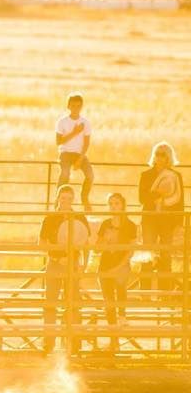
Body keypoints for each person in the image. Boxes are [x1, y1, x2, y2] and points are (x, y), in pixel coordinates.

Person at [39, 185, 91, 354]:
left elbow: (86, 242)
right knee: (51, 302)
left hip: (73, 263)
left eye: (69, 198)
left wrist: (84, 264)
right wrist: (58, 254)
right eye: (63, 198)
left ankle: (74, 342)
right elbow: (42, 243)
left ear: (73, 199)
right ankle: (49, 342)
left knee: (73, 303)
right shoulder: (50, 218)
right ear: (58, 198)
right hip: (55, 262)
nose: (66, 201)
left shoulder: (80, 217)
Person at [138, 141, 184, 294]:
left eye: (163, 154)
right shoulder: (146, 175)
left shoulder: (176, 176)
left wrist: (179, 223)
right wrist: (159, 193)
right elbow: (142, 198)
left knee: (165, 255)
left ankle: (166, 294)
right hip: (150, 219)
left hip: (167, 221)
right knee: (147, 254)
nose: (159, 157)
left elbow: (179, 201)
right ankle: (144, 293)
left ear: (168, 157)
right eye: (157, 153)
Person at [96, 193, 138, 352]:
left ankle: (122, 316)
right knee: (108, 301)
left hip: (122, 265)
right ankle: (114, 340)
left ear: (123, 205)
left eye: (117, 203)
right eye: (111, 204)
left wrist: (119, 266)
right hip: (106, 264)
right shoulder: (105, 224)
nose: (114, 206)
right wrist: (105, 239)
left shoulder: (130, 225)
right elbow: (97, 248)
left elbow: (131, 250)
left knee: (120, 284)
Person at [55, 92, 94, 210]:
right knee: (65, 173)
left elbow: (87, 142)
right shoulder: (62, 122)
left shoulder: (86, 123)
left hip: (79, 154)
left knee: (90, 175)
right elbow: (59, 141)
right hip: (65, 153)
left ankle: (84, 198)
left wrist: (80, 159)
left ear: (81, 107)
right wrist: (75, 132)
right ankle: (58, 200)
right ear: (68, 106)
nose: (75, 108)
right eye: (73, 106)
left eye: (78, 106)